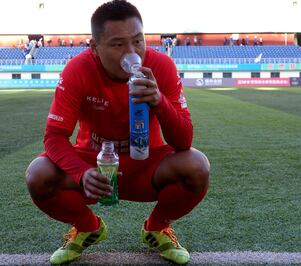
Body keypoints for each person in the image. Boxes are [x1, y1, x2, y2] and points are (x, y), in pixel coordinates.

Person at [25, 0, 210, 265]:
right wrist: (80, 173)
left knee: (197, 166)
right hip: (96, 166)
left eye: (138, 41)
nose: (132, 52)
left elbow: (183, 141)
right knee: (38, 174)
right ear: (94, 47)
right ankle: (87, 227)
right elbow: (54, 135)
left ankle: (156, 228)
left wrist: (159, 101)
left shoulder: (162, 66)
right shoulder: (78, 69)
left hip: (148, 164)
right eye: (117, 44)